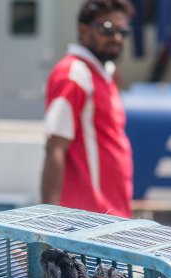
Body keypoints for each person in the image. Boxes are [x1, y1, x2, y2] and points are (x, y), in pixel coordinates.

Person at [41, 0, 134, 218]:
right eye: (108, 30)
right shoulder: (73, 74)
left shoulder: (104, 74)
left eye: (123, 32)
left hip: (112, 215)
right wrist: (48, 222)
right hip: (89, 220)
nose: (117, 38)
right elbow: (55, 146)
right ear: (83, 30)